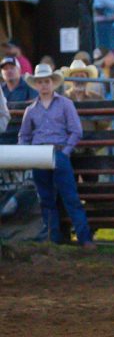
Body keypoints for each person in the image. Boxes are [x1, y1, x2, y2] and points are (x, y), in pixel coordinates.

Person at [17, 64, 96, 249]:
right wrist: (25, 153)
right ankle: (54, 238)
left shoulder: (65, 104)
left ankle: (83, 238)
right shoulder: (31, 110)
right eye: (40, 82)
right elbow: (24, 135)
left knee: (70, 197)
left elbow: (76, 131)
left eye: (47, 81)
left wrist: (65, 151)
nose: (44, 85)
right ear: (36, 85)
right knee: (46, 198)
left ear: (52, 83)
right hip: (39, 154)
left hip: (58, 151)